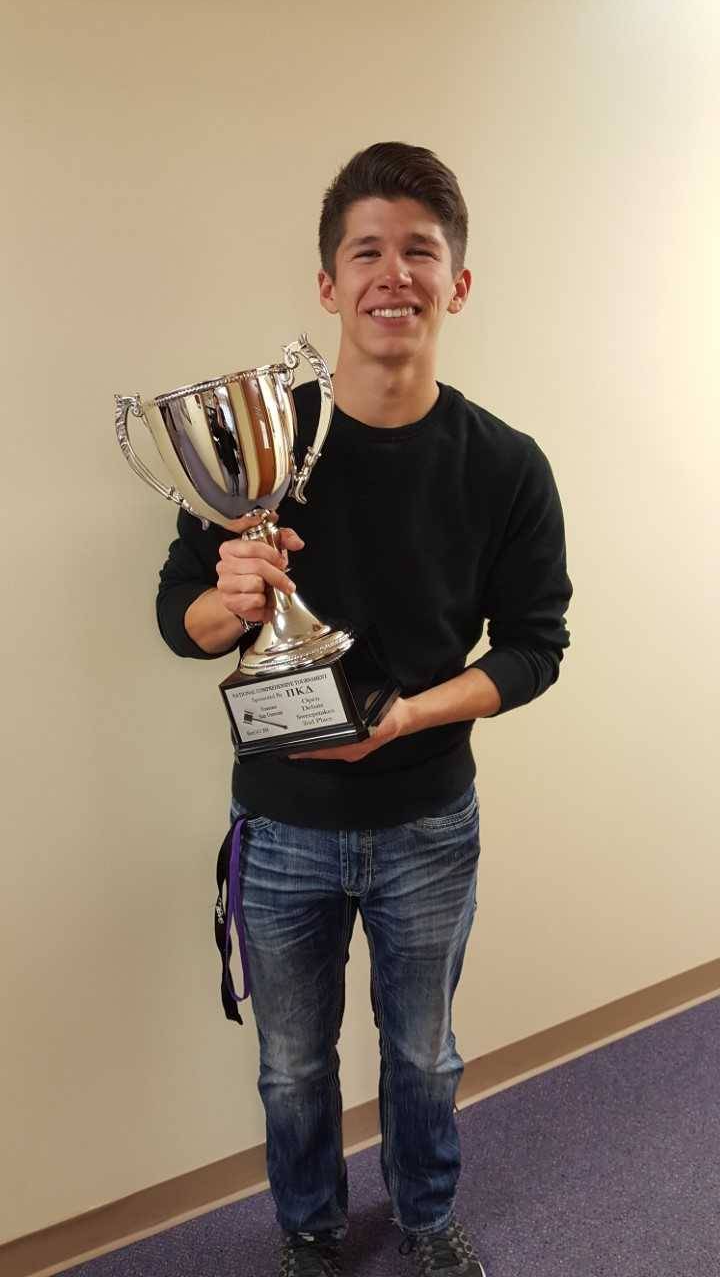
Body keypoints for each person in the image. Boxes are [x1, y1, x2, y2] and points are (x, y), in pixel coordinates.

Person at [156, 141, 572, 1277]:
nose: (396, 275)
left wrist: (410, 715)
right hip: (281, 824)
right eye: (368, 251)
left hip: (429, 820)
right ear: (329, 285)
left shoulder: (507, 466)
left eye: (421, 253)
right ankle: (310, 1231)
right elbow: (177, 614)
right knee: (293, 1064)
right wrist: (230, 601)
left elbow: (538, 647)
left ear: (458, 283)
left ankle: (428, 1221)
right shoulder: (265, 439)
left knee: (424, 1054)